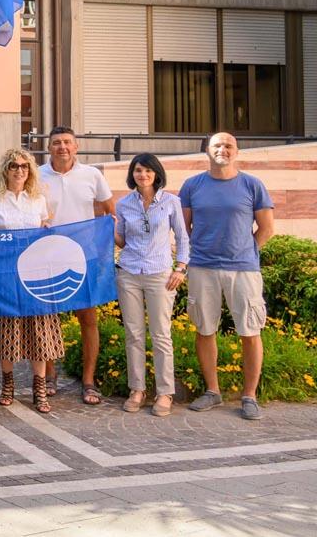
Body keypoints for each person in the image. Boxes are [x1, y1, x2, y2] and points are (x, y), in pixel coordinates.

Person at [180, 132, 274, 420]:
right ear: (207, 151)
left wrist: (246, 250)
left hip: (243, 269)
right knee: (204, 329)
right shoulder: (192, 185)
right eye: (217, 145)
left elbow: (266, 228)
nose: (223, 150)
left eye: (228, 145)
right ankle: (212, 391)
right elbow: (184, 229)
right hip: (202, 267)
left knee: (250, 331)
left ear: (237, 151)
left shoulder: (252, 185)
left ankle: (249, 395)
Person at [0, 148, 62, 414]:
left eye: (24, 166)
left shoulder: (38, 200)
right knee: (8, 328)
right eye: (14, 166)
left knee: (38, 330)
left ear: (30, 171)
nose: (19, 170)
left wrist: (47, 230)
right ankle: (8, 384)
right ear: (5, 169)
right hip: (5, 274)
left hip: (35, 272)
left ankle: (39, 387)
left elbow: (44, 230)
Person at [39, 126, 114, 406]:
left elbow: (109, 211)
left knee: (88, 320)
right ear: (49, 147)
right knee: (48, 320)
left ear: (76, 146)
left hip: (85, 257)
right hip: (48, 257)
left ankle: (88, 381)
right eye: (57, 143)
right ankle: (48, 375)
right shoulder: (37, 174)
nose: (62, 147)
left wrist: (97, 234)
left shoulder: (92, 175)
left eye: (67, 142)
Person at [114, 153, 189, 417]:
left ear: (156, 173)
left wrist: (181, 268)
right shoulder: (123, 204)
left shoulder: (171, 202)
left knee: (161, 335)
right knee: (133, 334)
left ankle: (165, 392)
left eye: (147, 171)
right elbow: (122, 241)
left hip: (160, 274)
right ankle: (137, 389)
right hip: (129, 273)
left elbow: (182, 236)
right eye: (137, 171)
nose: (142, 175)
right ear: (132, 174)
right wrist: (111, 231)